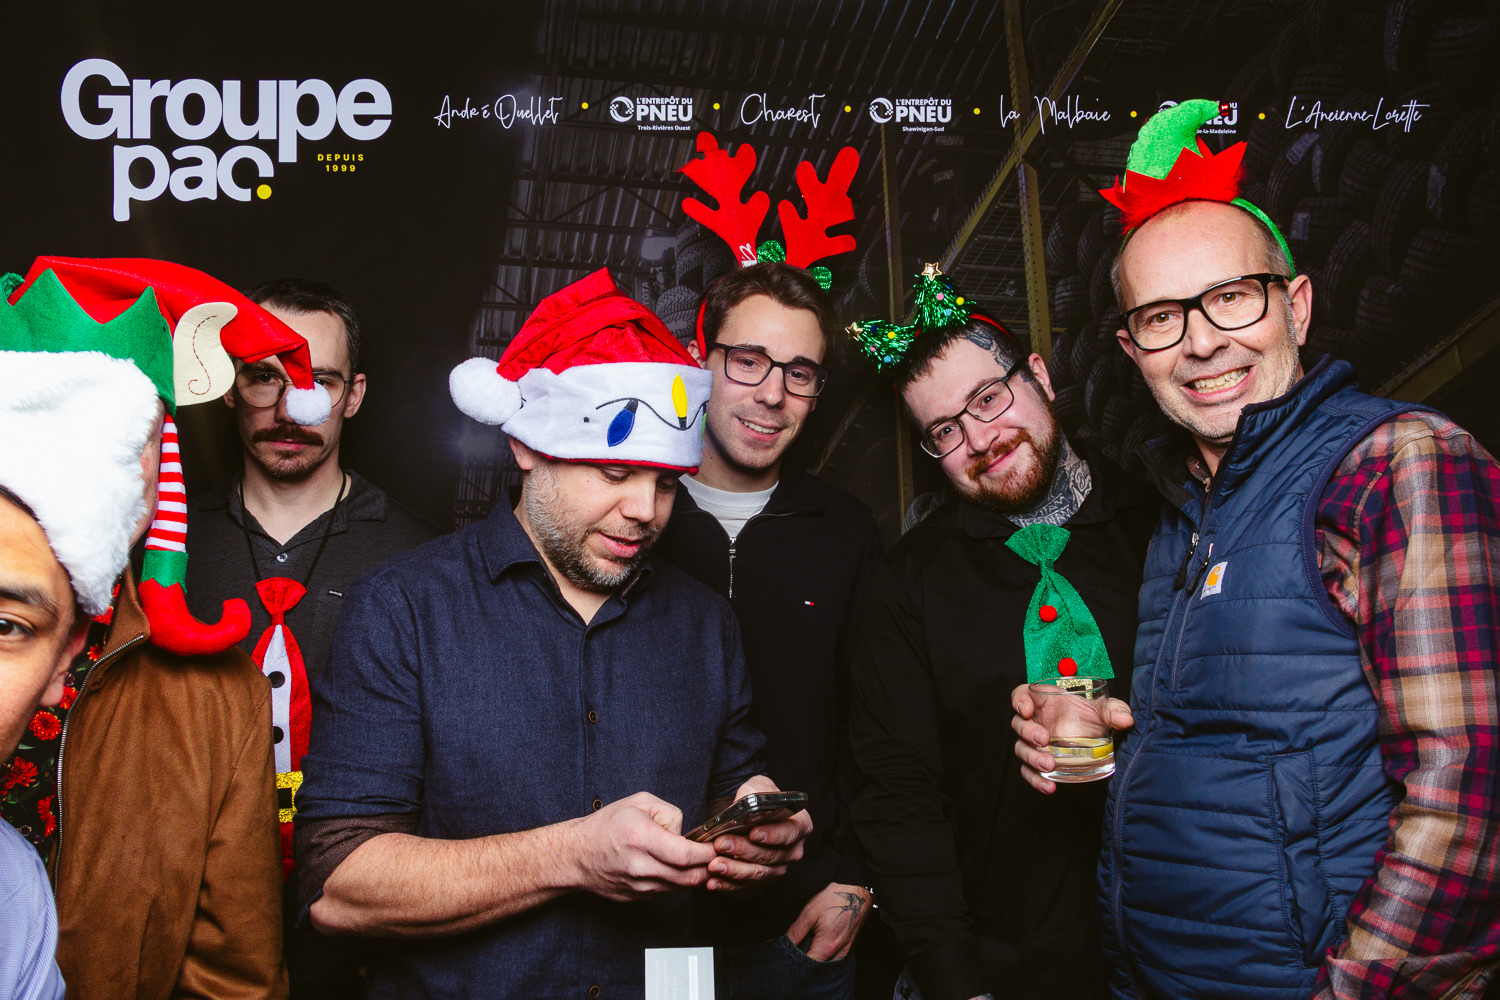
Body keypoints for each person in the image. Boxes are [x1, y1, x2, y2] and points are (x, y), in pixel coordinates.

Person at [1012, 100, 1500, 999]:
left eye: (1232, 297)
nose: (1202, 342)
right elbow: (1247, 759)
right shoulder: (1182, 513)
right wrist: (1098, 749)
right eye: (1162, 317)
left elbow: (1472, 794)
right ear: (1131, 348)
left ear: (1297, 307)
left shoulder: (1397, 462)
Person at [294, 268, 812, 999]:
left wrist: (750, 827)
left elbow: (728, 793)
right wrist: (571, 856)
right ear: (528, 448)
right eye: (614, 472)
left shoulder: (705, 624)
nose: (646, 511)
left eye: (666, 483)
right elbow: (338, 887)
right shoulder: (404, 607)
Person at [0, 257, 328, 1000]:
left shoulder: (219, 700)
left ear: (161, 463)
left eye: (127, 436)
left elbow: (234, 977)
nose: (92, 468)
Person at [847, 266, 1158, 1000]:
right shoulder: (908, 585)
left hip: (1178, 945)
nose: (980, 438)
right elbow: (896, 795)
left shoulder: (1161, 524)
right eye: (945, 431)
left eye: (988, 398)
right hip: (1010, 966)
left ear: (1039, 376)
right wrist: (954, 980)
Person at [186, 278, 437, 998]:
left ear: (353, 395)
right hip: (195, 929)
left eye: (318, 381)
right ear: (229, 387)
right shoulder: (167, 548)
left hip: (360, 941)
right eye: (264, 376)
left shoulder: (423, 560)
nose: (288, 407)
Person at [652, 262, 881, 999]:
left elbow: (879, 724)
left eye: (800, 373)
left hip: (800, 925)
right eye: (748, 360)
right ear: (701, 360)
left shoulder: (844, 531)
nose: (772, 394)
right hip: (648, 926)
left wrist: (855, 880)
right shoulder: (631, 518)